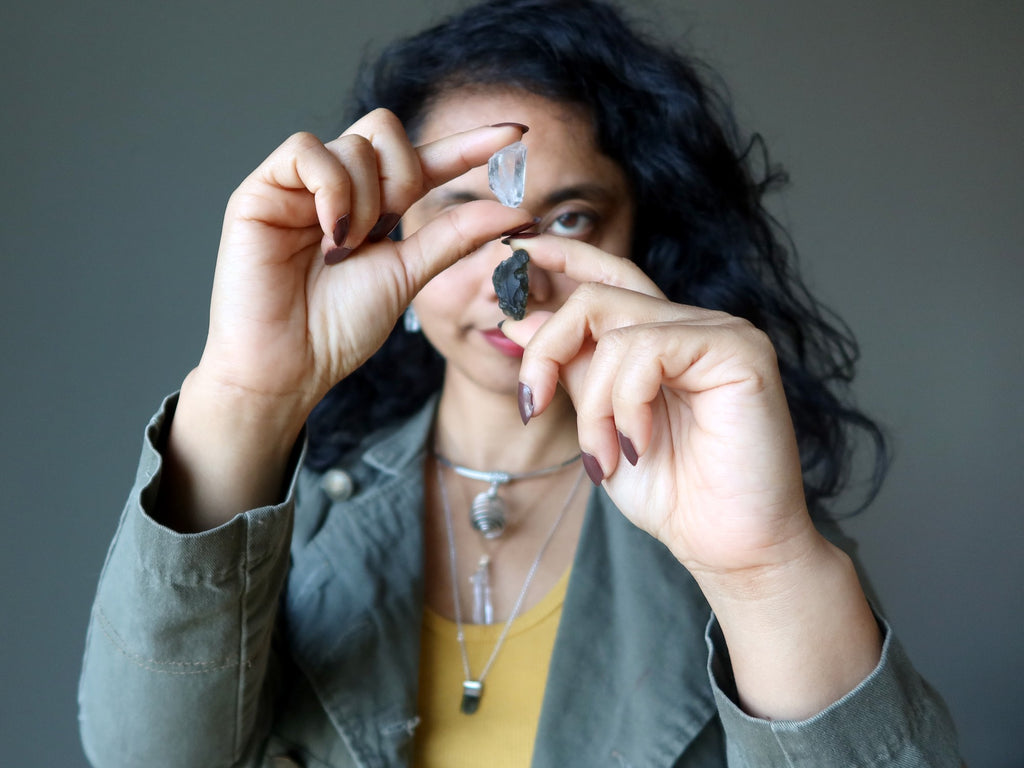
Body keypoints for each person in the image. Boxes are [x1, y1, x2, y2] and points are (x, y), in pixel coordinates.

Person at [78, 0, 962, 766]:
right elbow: (141, 754)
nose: (519, 280)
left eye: (570, 219)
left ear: (634, 250)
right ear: (394, 252)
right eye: (464, 215)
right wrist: (246, 392)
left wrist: (764, 571)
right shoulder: (282, 512)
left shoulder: (727, 520)